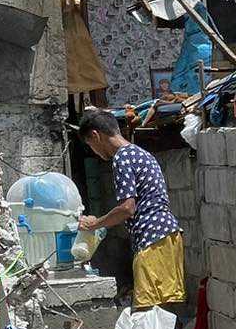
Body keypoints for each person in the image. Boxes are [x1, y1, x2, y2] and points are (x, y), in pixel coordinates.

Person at [76, 108, 185, 309]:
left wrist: (95, 224)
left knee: (149, 310)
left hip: (152, 237)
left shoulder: (122, 158)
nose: (95, 152)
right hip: (167, 234)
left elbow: (127, 208)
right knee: (166, 309)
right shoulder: (140, 153)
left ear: (95, 135)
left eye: (91, 146)